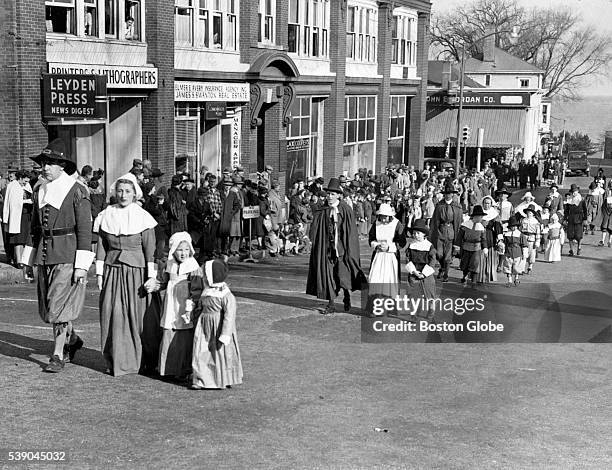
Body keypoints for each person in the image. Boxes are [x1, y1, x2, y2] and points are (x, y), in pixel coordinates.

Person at [21, 139, 94, 373]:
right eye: (43, 163)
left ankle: (57, 355)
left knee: (58, 307)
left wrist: (82, 265)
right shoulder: (39, 191)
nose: (45, 167)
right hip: (45, 255)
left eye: (50, 163)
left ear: (62, 166)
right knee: (48, 307)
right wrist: (27, 259)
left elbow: (84, 230)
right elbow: (34, 228)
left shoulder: (77, 192)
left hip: (68, 255)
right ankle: (73, 341)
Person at [94, 172, 160, 376]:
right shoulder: (107, 215)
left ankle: (144, 361)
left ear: (134, 194)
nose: (123, 195)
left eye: (127, 191)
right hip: (113, 273)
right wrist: (99, 273)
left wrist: (151, 276)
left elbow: (150, 250)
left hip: (137, 275)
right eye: (120, 191)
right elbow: (102, 246)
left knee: (138, 317)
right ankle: (116, 359)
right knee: (113, 313)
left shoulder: (142, 217)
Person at [306, 178, 366, 314]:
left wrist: (349, 249)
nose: (330, 196)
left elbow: (350, 232)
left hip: (342, 249)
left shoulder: (346, 210)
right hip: (327, 249)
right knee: (328, 275)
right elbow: (316, 228)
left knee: (343, 275)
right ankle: (331, 303)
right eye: (328, 194)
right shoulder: (323, 210)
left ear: (339, 195)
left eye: (333, 194)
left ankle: (346, 295)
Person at [154, 232, 202, 381]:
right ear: (174, 249)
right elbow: (164, 281)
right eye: (180, 250)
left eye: (186, 250)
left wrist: (190, 305)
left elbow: (196, 288)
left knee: (184, 334)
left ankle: (183, 369)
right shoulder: (170, 264)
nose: (183, 253)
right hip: (171, 303)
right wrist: (155, 285)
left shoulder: (192, 266)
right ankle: (167, 368)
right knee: (169, 331)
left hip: (184, 304)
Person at [191, 259, 243, 390]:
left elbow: (229, 315)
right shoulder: (207, 291)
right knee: (201, 351)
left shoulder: (225, 295)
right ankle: (202, 379)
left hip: (218, 327)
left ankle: (222, 378)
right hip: (204, 326)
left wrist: (225, 334)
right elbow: (201, 306)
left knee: (220, 353)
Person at [366, 203, 406, 313]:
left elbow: (402, 242)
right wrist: (377, 245)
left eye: (386, 216)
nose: (383, 219)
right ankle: (374, 308)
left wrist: (389, 247)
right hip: (378, 256)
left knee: (390, 280)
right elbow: (371, 238)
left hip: (391, 256)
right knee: (375, 279)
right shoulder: (376, 224)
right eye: (382, 216)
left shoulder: (397, 224)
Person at [429, 184, 463, 282]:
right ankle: (442, 268)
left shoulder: (457, 206)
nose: (448, 195)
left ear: (453, 194)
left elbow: (459, 221)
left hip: (451, 231)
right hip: (440, 231)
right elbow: (435, 220)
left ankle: (446, 274)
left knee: (448, 255)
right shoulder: (440, 205)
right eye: (446, 193)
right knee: (439, 254)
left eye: (450, 193)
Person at [405, 219, 437, 321]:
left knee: (429, 291)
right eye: (414, 233)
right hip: (414, 271)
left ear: (424, 234)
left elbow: (432, 261)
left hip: (426, 272)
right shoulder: (411, 245)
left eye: (418, 233)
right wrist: (414, 271)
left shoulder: (429, 246)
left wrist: (424, 273)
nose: (416, 235)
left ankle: (431, 309)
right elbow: (408, 259)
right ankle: (414, 314)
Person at [456, 205, 487, 285]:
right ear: (475, 216)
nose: (481, 218)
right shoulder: (465, 225)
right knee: (465, 263)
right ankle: (464, 276)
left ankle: (474, 280)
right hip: (466, 246)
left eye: (481, 217)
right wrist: (457, 247)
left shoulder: (481, 227)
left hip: (477, 248)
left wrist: (485, 248)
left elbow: (483, 239)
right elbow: (460, 236)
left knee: (475, 263)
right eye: (480, 217)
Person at [478, 196, 503, 283]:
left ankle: (489, 275)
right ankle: (479, 276)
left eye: (488, 203)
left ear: (491, 204)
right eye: (485, 203)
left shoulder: (494, 214)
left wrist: (500, 239)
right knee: (480, 256)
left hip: (489, 236)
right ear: (483, 203)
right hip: (479, 235)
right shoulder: (478, 212)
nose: (487, 205)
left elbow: (498, 227)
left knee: (489, 256)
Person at [564, 184, 587, 256]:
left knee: (578, 235)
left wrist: (585, 219)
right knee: (570, 235)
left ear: (577, 191)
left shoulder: (581, 199)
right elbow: (566, 210)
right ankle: (571, 250)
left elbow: (585, 210)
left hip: (579, 218)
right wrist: (565, 218)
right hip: (571, 218)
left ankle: (579, 248)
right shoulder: (569, 200)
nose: (574, 193)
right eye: (573, 192)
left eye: (575, 191)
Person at [502, 216, 526, 287]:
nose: (514, 228)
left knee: (516, 267)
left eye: (515, 226)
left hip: (517, 252)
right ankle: (509, 280)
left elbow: (524, 244)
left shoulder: (520, 234)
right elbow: (504, 243)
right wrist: (503, 249)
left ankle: (516, 278)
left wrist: (524, 253)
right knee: (508, 266)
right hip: (508, 252)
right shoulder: (506, 234)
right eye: (512, 226)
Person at [520, 204, 541, 273]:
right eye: (528, 212)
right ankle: (522, 268)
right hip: (524, 237)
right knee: (523, 253)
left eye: (530, 213)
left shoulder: (535, 222)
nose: (529, 214)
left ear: (533, 214)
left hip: (532, 239)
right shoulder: (523, 220)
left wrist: (537, 242)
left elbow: (538, 233)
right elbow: (520, 229)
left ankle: (530, 266)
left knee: (532, 253)